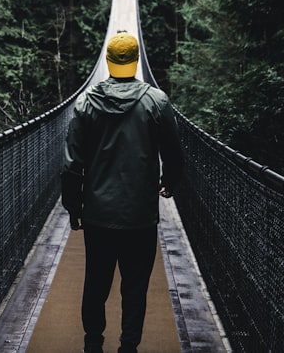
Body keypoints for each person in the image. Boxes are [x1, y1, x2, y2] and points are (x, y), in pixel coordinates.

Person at [61, 31, 186, 353]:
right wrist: (169, 181)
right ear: (136, 60)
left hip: (99, 213)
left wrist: (74, 207)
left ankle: (93, 344)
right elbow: (174, 153)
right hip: (140, 215)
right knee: (135, 287)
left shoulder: (86, 102)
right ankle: (128, 347)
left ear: (107, 60)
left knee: (96, 283)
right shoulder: (156, 101)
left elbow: (72, 162)